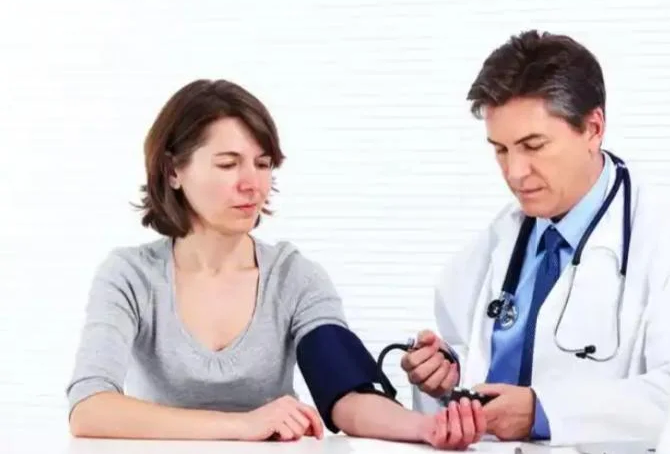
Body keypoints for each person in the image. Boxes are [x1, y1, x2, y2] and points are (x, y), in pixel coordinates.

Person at [66, 79, 487, 449]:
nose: (252, 184)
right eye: (228, 164)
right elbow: (89, 408)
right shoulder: (130, 276)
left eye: (263, 164)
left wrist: (426, 427)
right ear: (173, 170)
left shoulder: (294, 277)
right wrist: (242, 425)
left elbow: (346, 394)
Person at [400, 30, 670, 446]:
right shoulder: (492, 246)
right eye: (501, 150)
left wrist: (544, 413)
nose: (514, 172)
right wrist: (445, 376)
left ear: (593, 128)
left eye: (533, 146)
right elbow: (470, 367)